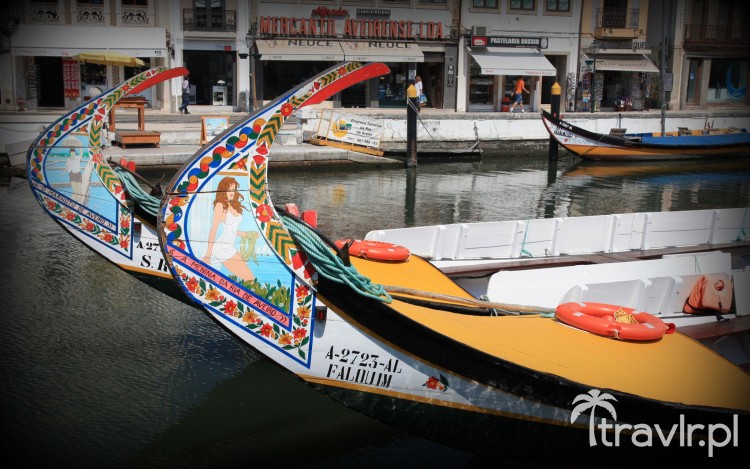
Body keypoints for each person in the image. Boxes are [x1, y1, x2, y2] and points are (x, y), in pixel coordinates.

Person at [202, 177, 256, 283]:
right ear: (223, 189)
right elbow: (213, 230)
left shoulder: (232, 205)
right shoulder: (220, 206)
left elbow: (232, 231)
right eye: (229, 189)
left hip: (230, 247)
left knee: (249, 278)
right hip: (222, 249)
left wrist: (248, 234)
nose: (232, 192)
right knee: (249, 279)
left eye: (234, 189)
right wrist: (208, 255)